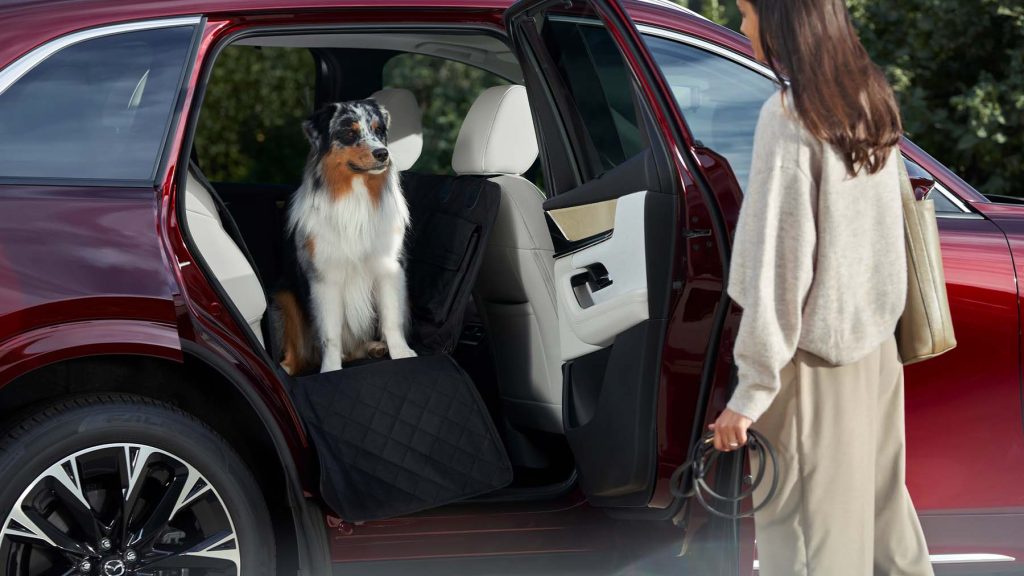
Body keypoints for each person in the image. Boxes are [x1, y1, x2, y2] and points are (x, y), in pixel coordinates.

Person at [708, 0, 934, 574]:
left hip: (811, 370)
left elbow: (778, 269)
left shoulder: (789, 117)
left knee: (809, 548)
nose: (743, 27)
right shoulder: (867, 99)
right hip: (875, 357)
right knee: (884, 530)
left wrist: (750, 392)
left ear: (783, 19)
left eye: (747, 13)